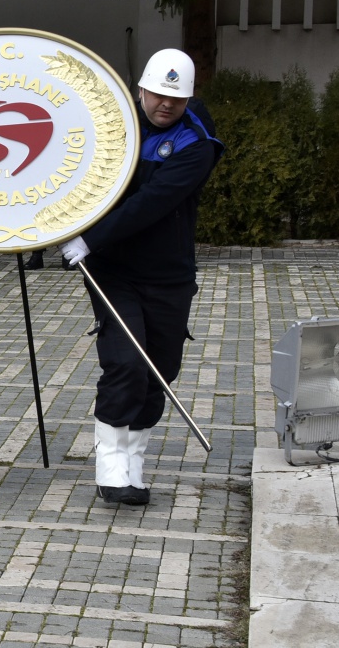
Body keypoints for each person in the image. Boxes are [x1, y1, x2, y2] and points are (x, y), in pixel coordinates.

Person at [59, 49, 223, 507]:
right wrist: (57, 224)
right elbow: (69, 170)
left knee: (160, 371)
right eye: (157, 95)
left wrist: (91, 237)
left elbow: (152, 201)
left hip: (169, 274)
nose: (166, 105)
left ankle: (133, 461)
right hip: (113, 271)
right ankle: (111, 468)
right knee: (126, 361)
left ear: (188, 98)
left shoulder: (197, 142)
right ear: (141, 90)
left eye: (176, 98)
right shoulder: (114, 125)